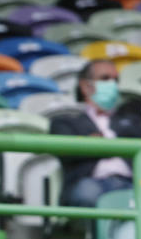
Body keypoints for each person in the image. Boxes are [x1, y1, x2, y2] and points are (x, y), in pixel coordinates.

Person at [49, 59, 132, 207]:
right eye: (105, 78)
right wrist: (115, 147)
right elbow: (66, 151)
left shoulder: (131, 119)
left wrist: (96, 144)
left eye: (115, 80)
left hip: (132, 185)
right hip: (90, 184)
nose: (112, 84)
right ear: (85, 86)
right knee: (88, 193)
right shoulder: (65, 122)